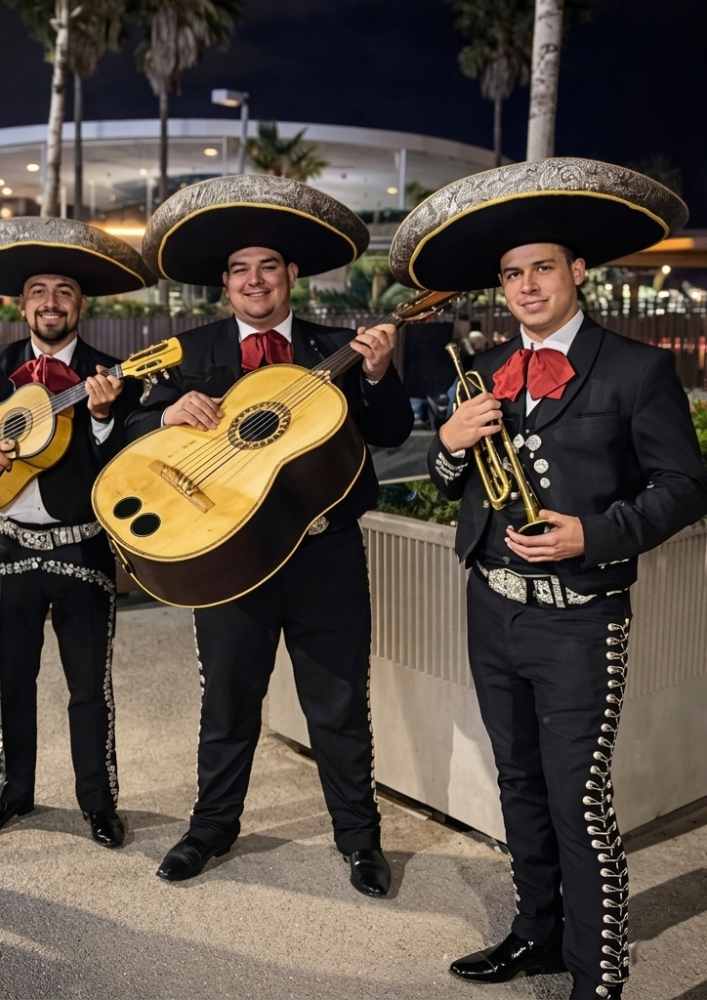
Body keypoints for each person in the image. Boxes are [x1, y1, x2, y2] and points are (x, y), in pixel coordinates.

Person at [389, 158, 707, 999]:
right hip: (491, 609)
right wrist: (449, 445)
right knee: (518, 781)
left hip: (581, 617)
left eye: (542, 268)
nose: (526, 285)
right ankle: (535, 933)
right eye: (512, 273)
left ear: (577, 273)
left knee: (579, 800)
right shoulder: (487, 367)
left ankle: (596, 972)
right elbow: (451, 487)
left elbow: (686, 487)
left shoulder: (635, 371)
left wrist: (591, 533)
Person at [128, 175, 414, 895]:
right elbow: (128, 433)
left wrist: (378, 375)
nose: (254, 281)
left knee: (341, 702)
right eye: (239, 270)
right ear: (224, 285)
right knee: (227, 700)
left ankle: (359, 841)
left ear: (291, 276)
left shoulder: (340, 347)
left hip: (325, 554)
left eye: (267, 266)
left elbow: (389, 432)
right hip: (230, 560)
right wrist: (163, 416)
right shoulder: (186, 352)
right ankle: (211, 829)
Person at [0, 218, 153, 849]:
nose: (51, 302)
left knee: (87, 686)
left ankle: (97, 801)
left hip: (81, 544)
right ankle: (12, 792)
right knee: (11, 680)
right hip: (8, 542)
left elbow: (130, 464)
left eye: (65, 291)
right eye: (39, 291)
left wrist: (102, 419)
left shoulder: (112, 373)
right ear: (22, 305)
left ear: (82, 304)